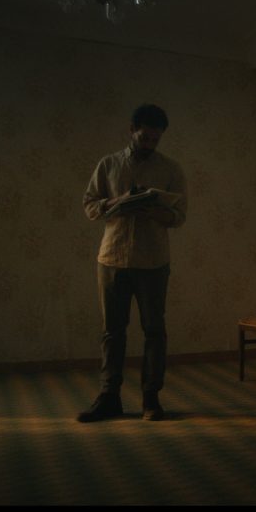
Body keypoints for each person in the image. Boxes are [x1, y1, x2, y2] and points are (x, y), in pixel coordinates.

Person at [78, 103, 188, 422]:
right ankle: (109, 397)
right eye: (145, 137)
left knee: (154, 330)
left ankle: (151, 398)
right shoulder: (109, 164)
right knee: (112, 331)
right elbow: (89, 205)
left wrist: (153, 210)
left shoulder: (171, 169)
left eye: (155, 139)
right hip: (112, 258)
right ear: (132, 130)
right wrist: (119, 202)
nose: (149, 143)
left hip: (153, 260)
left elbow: (179, 216)